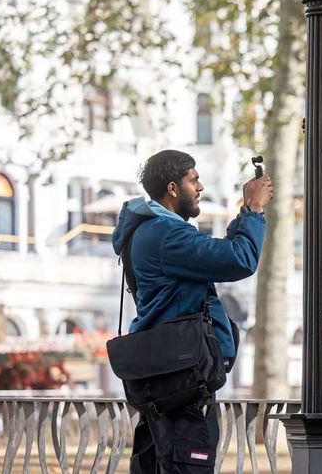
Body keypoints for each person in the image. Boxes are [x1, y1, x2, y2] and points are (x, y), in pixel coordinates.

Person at [112, 149, 273, 473]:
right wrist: (254, 210)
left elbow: (218, 255)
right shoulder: (166, 234)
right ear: (173, 188)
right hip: (182, 378)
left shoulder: (146, 231)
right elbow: (238, 260)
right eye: (194, 180)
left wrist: (244, 214)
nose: (200, 187)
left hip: (164, 376)